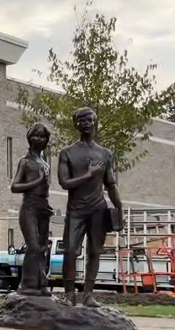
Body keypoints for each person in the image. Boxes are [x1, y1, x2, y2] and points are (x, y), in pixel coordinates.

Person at [57, 107, 123, 307]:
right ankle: (69, 294)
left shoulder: (105, 153)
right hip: (75, 209)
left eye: (89, 120)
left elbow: (111, 185)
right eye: (81, 120)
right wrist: (87, 175)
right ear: (76, 124)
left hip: (98, 209)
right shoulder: (67, 153)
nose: (85, 123)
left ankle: (88, 295)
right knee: (70, 250)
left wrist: (119, 208)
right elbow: (64, 183)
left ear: (95, 123)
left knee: (95, 251)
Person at [10, 122, 55, 296]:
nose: (39, 139)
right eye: (36, 135)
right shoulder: (25, 161)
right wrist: (37, 181)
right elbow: (14, 186)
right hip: (29, 207)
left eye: (43, 136)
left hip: (43, 208)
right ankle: (26, 284)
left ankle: (40, 283)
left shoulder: (45, 163)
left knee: (43, 247)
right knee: (34, 247)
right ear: (30, 138)